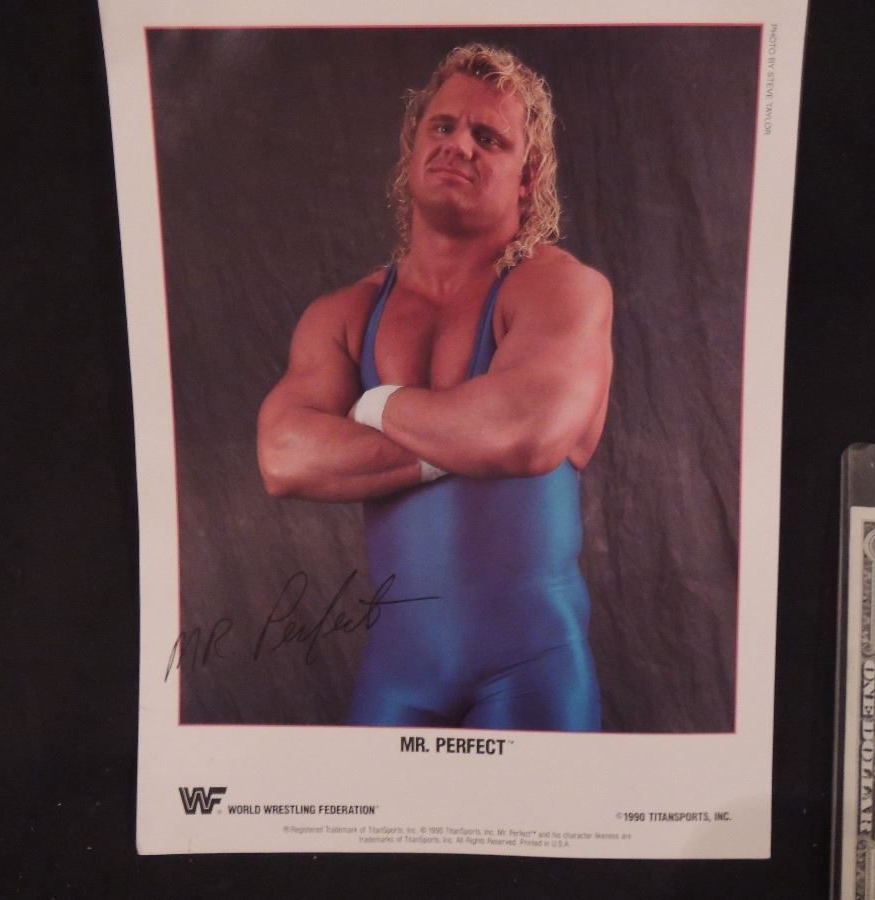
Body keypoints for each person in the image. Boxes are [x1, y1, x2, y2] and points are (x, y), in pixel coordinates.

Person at [256, 44, 613, 731]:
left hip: (534, 672)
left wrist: (373, 405)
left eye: (489, 137)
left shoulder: (562, 289)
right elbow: (284, 457)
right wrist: (468, 433)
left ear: (527, 177)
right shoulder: (347, 313)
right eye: (442, 126)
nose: (459, 145)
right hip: (400, 673)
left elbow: (527, 435)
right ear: (412, 149)